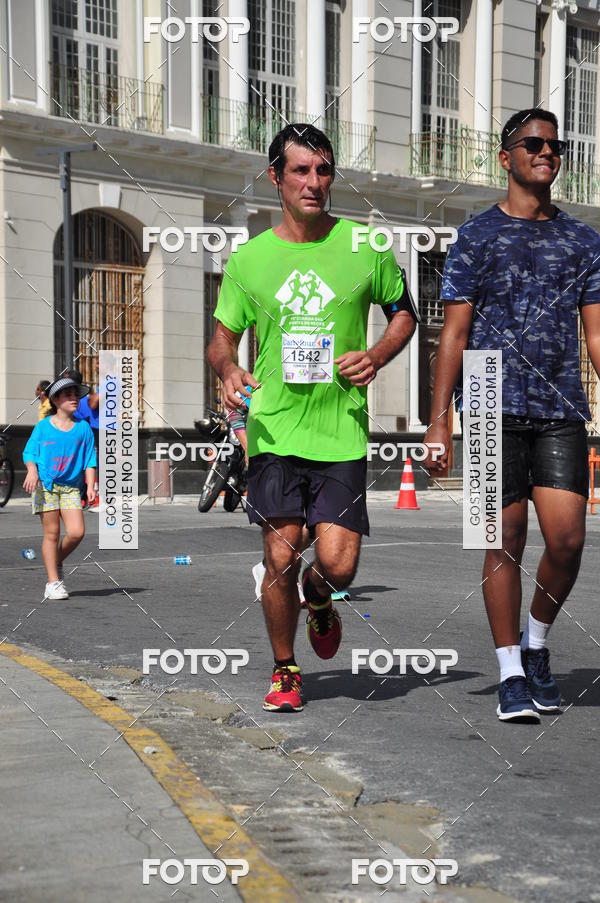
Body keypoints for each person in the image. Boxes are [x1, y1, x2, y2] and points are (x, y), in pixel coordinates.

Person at [207, 123, 418, 712]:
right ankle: (285, 669)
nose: (314, 182)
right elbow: (221, 339)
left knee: (339, 565)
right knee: (279, 552)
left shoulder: (365, 247)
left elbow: (405, 313)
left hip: (340, 430)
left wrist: (376, 355)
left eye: (323, 171)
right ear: (276, 176)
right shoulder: (250, 260)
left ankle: (320, 598)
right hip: (274, 427)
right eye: (301, 170)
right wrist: (227, 372)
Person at [425, 108, 600, 722]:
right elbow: (454, 334)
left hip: (559, 408)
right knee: (501, 541)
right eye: (532, 143)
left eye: (555, 144)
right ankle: (509, 673)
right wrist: (440, 419)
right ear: (506, 158)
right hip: (485, 401)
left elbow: (597, 337)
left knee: (568, 539)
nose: (546, 151)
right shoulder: (476, 236)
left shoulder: (585, 241)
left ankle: (538, 641)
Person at [23, 375, 97, 600]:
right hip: (46, 486)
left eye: (75, 394)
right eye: (68, 395)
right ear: (55, 400)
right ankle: (53, 582)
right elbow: (29, 452)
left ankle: (55, 561)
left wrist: (92, 484)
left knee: (77, 533)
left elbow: (90, 459)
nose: (74, 398)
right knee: (52, 533)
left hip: (71, 488)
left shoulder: (83, 428)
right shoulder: (43, 427)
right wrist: (32, 471)